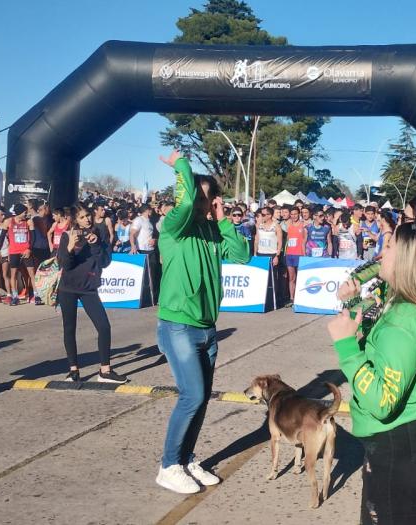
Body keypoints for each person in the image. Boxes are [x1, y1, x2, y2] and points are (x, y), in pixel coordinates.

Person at [327, 220, 416, 524]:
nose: (381, 252)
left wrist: (346, 349)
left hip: (400, 445)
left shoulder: (405, 318)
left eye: (389, 246)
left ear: (407, 259)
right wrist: (353, 305)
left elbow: (382, 400)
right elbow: (382, 348)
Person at [154, 151, 249, 494]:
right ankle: (168, 465)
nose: (206, 202)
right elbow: (182, 205)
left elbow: (242, 254)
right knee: (191, 396)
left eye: (211, 197)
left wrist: (224, 220)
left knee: (202, 397)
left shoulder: (212, 231)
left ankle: (187, 458)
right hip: (177, 324)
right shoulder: (174, 228)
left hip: (207, 327)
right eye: (202, 196)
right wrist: (182, 167)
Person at [56, 206, 126, 384]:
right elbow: (65, 265)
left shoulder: (99, 235)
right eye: (82, 217)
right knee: (69, 328)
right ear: (75, 220)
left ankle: (105, 370)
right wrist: (70, 248)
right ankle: (73, 370)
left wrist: (95, 245)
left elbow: (104, 262)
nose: (87, 219)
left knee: (104, 326)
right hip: (68, 288)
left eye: (88, 215)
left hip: (89, 288)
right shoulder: (67, 236)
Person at [5, 203, 36, 306]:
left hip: (26, 251)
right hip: (14, 252)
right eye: (24, 212)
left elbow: (33, 238)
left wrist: (29, 249)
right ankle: (15, 296)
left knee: (31, 273)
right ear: (19, 212)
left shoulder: (29, 222)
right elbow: (2, 237)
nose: (26, 214)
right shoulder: (9, 221)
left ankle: (35, 295)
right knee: (13, 274)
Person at [284, 206, 306, 302]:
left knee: (300, 277)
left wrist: (304, 254)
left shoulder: (303, 225)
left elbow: (305, 241)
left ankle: (300, 297)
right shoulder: (288, 226)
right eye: (292, 214)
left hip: (299, 254)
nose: (293, 216)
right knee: (291, 278)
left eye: (295, 214)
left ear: (299, 214)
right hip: (289, 254)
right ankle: (291, 298)